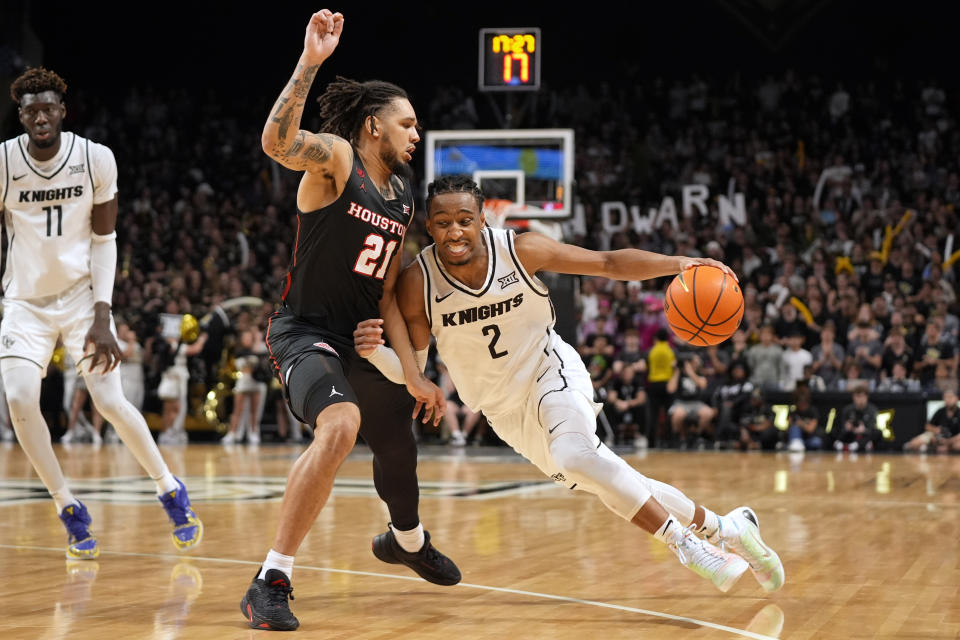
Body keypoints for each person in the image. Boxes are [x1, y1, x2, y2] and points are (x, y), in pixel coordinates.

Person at [355, 175, 785, 598]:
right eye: (443, 221)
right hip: (503, 412)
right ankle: (727, 528)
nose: (455, 231)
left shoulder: (522, 250)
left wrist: (679, 265)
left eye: (464, 219)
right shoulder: (417, 283)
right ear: (428, 226)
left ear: (483, 219)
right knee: (603, 476)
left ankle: (690, 547)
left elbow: (607, 263)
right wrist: (375, 352)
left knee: (575, 454)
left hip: (550, 371)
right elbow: (413, 371)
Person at [240, 11, 458, 631]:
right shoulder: (337, 157)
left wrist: (406, 363)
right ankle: (270, 580)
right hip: (305, 332)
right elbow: (277, 144)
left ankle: (406, 542)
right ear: (373, 125)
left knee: (397, 438)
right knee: (340, 427)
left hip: (361, 339)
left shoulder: (403, 190)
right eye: (407, 123)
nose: (416, 133)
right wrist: (310, 62)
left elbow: (387, 285)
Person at [0, 66, 201, 559]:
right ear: (21, 116)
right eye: (31, 110)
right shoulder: (3, 162)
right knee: (20, 397)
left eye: (48, 108)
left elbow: (105, 240)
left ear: (62, 111)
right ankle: (67, 505)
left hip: (80, 299)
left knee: (108, 401)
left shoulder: (95, 159)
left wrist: (101, 313)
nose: (40, 117)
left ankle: (168, 487)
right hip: (24, 302)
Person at [903, 389, 960, 453]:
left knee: (957, 445)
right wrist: (936, 430)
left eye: (950, 397)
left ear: (956, 398)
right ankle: (929, 447)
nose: (948, 400)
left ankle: (937, 448)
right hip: (938, 438)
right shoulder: (940, 411)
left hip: (953, 440)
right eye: (946, 397)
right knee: (915, 443)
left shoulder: (958, 412)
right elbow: (927, 426)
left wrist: (948, 442)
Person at [834, 383, 882, 452]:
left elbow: (873, 426)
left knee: (877, 433)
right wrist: (847, 427)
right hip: (851, 434)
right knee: (835, 431)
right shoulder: (847, 409)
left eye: (862, 396)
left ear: (866, 397)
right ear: (853, 397)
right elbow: (843, 425)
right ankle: (849, 444)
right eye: (857, 396)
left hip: (865, 435)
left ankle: (854, 445)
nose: (860, 399)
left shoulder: (872, 409)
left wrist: (864, 430)